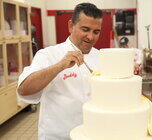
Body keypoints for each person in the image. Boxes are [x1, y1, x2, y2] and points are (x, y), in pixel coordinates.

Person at [17, 3, 102, 140]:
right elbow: (23, 90)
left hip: (94, 133)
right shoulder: (48, 55)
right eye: (85, 29)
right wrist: (59, 66)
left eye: (96, 32)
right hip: (59, 135)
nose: (90, 37)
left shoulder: (101, 57)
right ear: (71, 26)